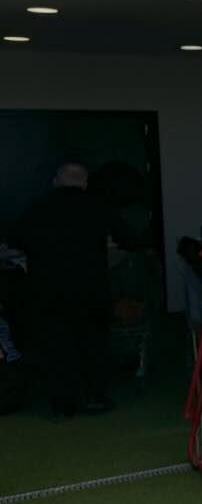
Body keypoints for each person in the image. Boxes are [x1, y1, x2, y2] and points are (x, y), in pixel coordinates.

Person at [18, 162, 119, 417]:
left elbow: (16, 238)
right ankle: (96, 396)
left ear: (56, 181)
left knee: (56, 346)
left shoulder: (37, 207)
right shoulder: (98, 206)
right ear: (84, 182)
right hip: (90, 289)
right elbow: (128, 237)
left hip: (48, 290)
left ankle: (63, 404)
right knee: (93, 343)